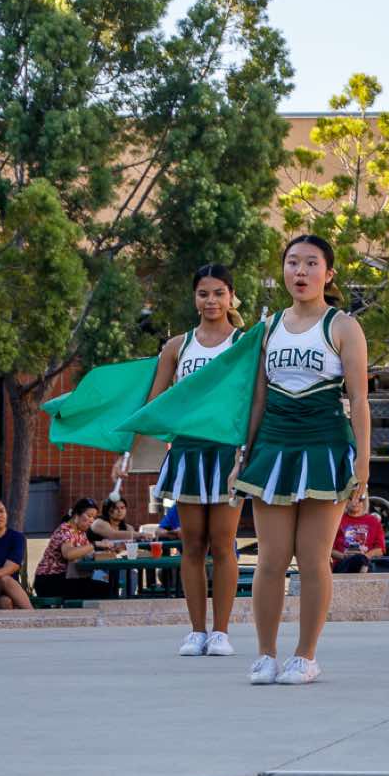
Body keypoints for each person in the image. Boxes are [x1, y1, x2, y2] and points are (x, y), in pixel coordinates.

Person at [234, 234, 371, 686]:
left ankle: (305, 656)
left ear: (328, 274)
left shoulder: (343, 327)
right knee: (270, 559)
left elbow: (359, 399)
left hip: (324, 446)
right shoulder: (267, 327)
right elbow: (256, 399)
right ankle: (265, 654)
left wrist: (363, 464)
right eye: (293, 262)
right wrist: (243, 454)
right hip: (273, 447)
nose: (301, 271)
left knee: (313, 559)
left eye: (312, 263)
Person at [144, 263, 249, 658]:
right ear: (194, 298)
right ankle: (196, 631)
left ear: (231, 296)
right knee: (192, 544)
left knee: (223, 543)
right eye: (203, 293)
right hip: (187, 452)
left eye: (219, 293)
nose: (211, 301)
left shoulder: (244, 344)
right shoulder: (177, 346)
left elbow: (252, 397)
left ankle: (221, 632)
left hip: (226, 454)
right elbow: (156, 402)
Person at [34, 499, 115, 600]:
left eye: (94, 517)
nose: (92, 521)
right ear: (76, 515)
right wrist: (95, 544)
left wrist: (109, 549)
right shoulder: (65, 530)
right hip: (50, 580)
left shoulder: (81, 533)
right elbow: (68, 554)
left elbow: (89, 553)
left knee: (107, 580)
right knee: (101, 587)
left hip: (69, 577)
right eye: (89, 516)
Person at [331, 494, 387, 574]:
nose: (355, 502)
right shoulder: (337, 520)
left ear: (365, 501)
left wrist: (365, 556)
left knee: (361, 560)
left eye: (360, 499)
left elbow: (380, 549)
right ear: (345, 500)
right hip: (343, 562)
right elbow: (329, 550)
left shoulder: (374, 521)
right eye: (351, 499)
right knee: (359, 561)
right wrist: (344, 556)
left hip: (366, 560)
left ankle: (363, 566)